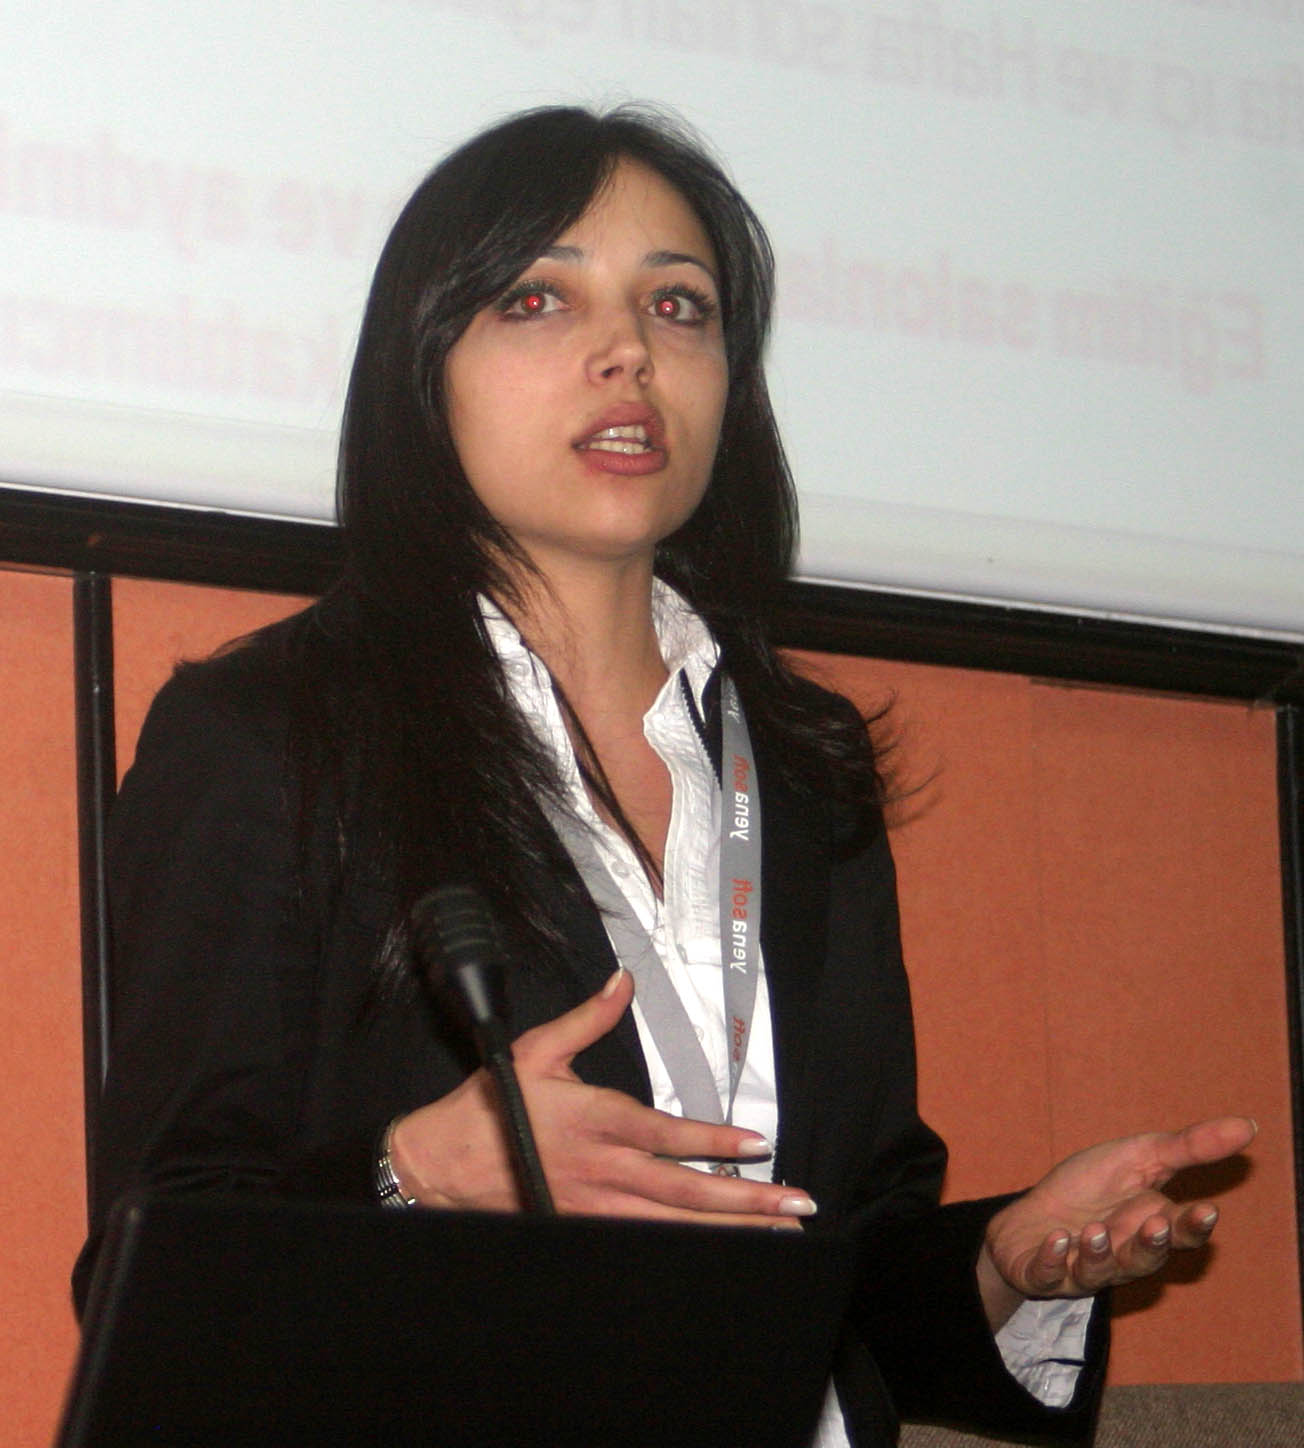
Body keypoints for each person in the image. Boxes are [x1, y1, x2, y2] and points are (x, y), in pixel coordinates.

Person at [75, 105, 1255, 1446]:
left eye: (678, 306)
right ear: (423, 368)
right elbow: (151, 1270)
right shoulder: (271, 734)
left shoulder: (803, 767)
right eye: (538, 298)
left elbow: (838, 1252)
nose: (629, 350)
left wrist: (1004, 1265)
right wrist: (415, 1174)